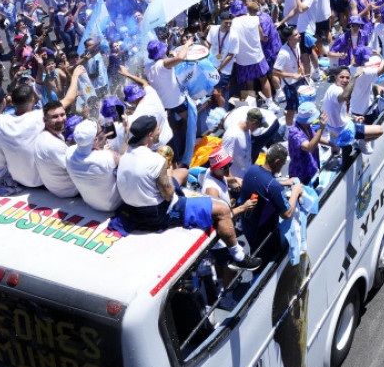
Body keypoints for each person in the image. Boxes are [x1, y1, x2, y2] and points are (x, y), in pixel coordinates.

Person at [114, 115, 260, 268]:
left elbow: (127, 147)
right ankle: (239, 256)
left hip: (133, 207)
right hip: (159, 213)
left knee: (183, 171)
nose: (160, 132)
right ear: (150, 135)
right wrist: (168, 170)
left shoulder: (124, 155)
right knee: (223, 209)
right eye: (158, 130)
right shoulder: (155, 161)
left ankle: (185, 196)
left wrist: (126, 131)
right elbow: (168, 194)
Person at [0, 66, 86, 188]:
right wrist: (75, 76)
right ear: (32, 101)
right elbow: (69, 98)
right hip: (41, 181)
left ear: (12, 102)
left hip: (20, 181)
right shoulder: (39, 116)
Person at [238, 142, 299, 262]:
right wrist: (295, 192)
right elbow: (286, 214)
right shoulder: (274, 186)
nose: (282, 166)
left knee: (255, 252)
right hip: (263, 234)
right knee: (266, 261)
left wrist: (283, 182)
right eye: (282, 163)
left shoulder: (252, 169)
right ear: (277, 162)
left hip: (247, 226)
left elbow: (262, 184)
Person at [322, 66, 384, 157]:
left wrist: (353, 118)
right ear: (335, 77)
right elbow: (344, 96)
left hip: (334, 130)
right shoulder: (337, 91)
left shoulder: (330, 89)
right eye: (342, 77)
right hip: (344, 131)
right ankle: (362, 142)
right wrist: (354, 77)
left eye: (347, 78)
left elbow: (338, 111)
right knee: (380, 130)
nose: (345, 80)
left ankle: (352, 142)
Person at [66, 119, 123, 213]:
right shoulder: (108, 157)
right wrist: (127, 132)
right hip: (114, 204)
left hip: (90, 203)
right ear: (95, 140)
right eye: (102, 130)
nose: (104, 131)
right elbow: (125, 162)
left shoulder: (69, 153)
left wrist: (100, 150)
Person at [33, 101, 78, 198]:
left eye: (62, 115)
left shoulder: (44, 133)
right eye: (55, 117)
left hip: (55, 187)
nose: (61, 119)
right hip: (70, 190)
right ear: (45, 120)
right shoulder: (53, 144)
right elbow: (76, 168)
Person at [288, 102, 324, 185]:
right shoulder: (295, 133)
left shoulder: (306, 126)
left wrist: (332, 144)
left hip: (312, 168)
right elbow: (309, 147)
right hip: (301, 175)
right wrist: (321, 129)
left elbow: (315, 137)